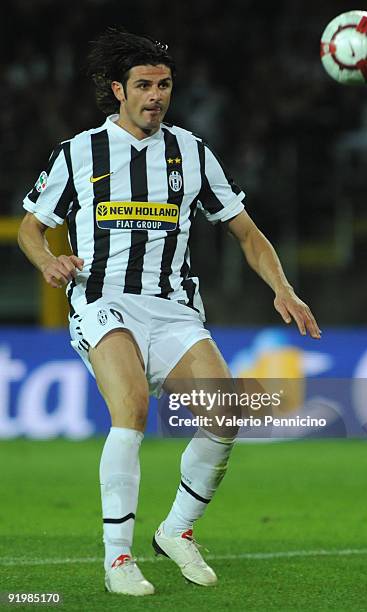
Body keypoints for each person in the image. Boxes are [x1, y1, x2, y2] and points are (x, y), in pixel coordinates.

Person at [17, 27, 321, 597]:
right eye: (145, 85)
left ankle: (176, 529)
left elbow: (246, 233)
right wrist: (47, 261)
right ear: (118, 89)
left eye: (165, 85)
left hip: (174, 308)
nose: (157, 95)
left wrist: (283, 288)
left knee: (226, 413)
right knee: (130, 406)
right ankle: (118, 559)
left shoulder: (193, 153)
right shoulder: (79, 152)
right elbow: (32, 230)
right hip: (102, 301)